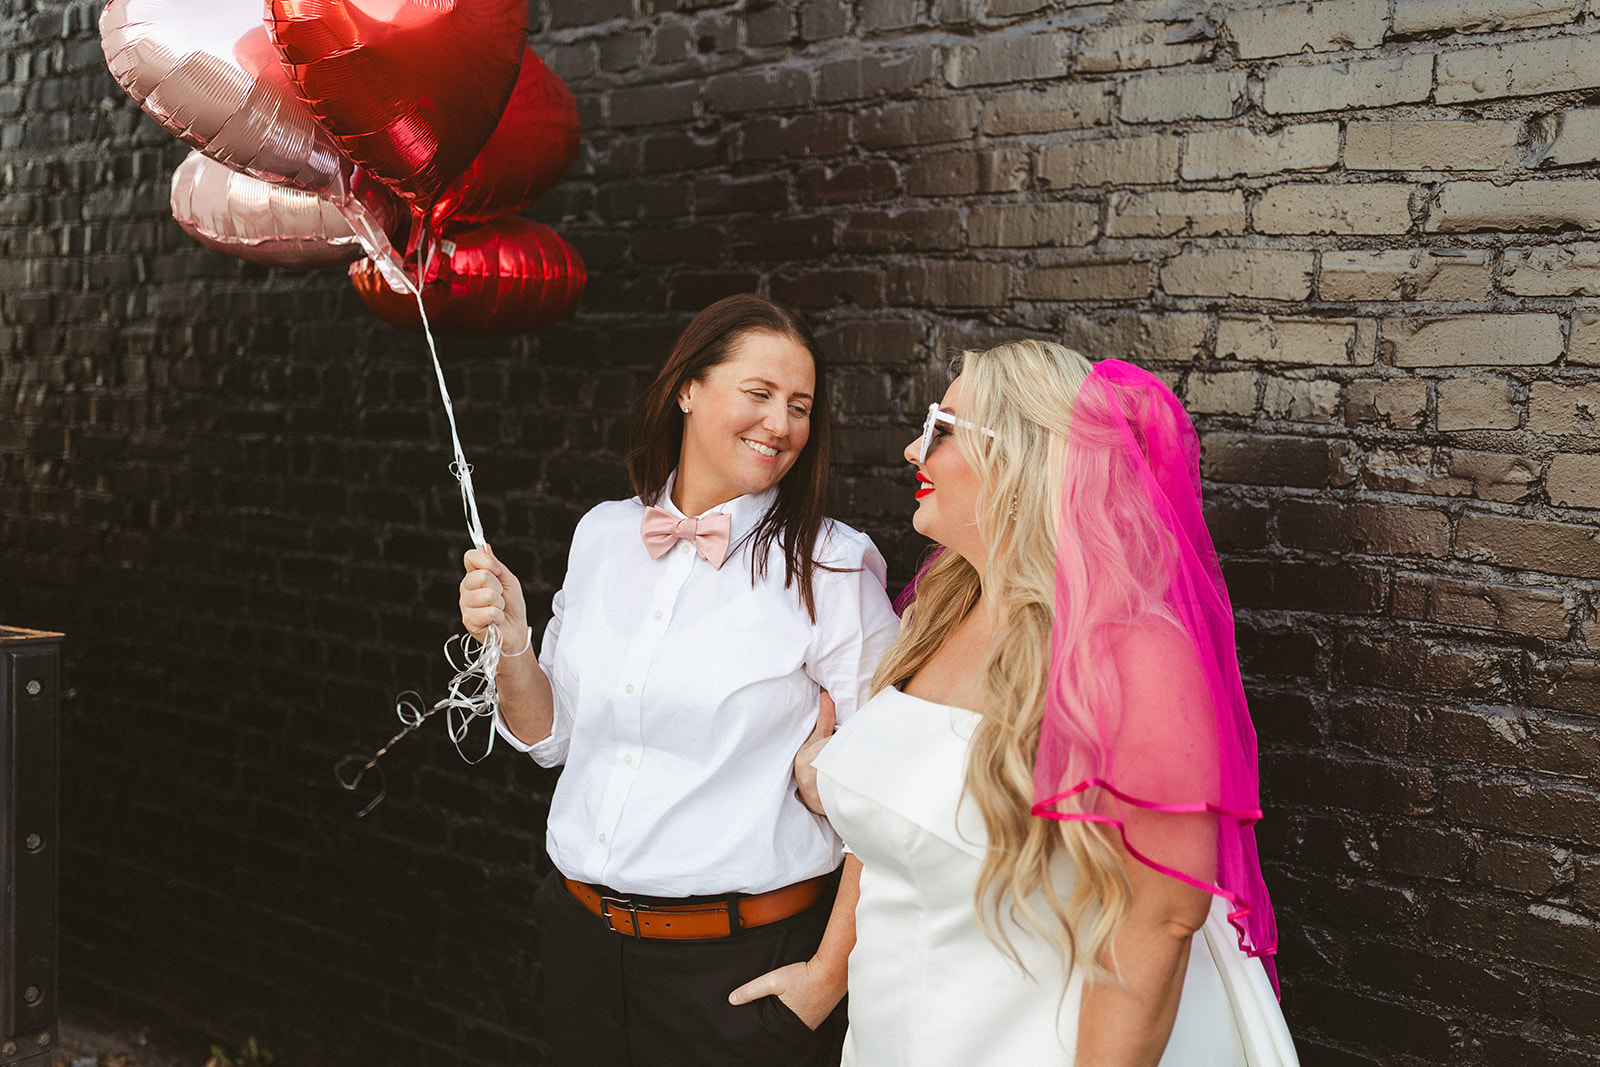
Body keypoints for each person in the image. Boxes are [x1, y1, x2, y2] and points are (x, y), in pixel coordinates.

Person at [806, 341, 1299, 1066]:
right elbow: (905, 822)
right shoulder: (936, 616)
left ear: (1022, 456)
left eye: (943, 427)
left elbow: (1160, 917)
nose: (915, 447)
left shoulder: (1134, 652)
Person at [457, 295, 899, 1067]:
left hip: (743, 973)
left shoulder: (832, 566)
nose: (781, 424)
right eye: (758, 394)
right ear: (688, 388)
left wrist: (828, 977)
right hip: (583, 946)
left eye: (799, 406)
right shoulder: (602, 535)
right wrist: (513, 644)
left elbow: (887, 792)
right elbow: (547, 738)